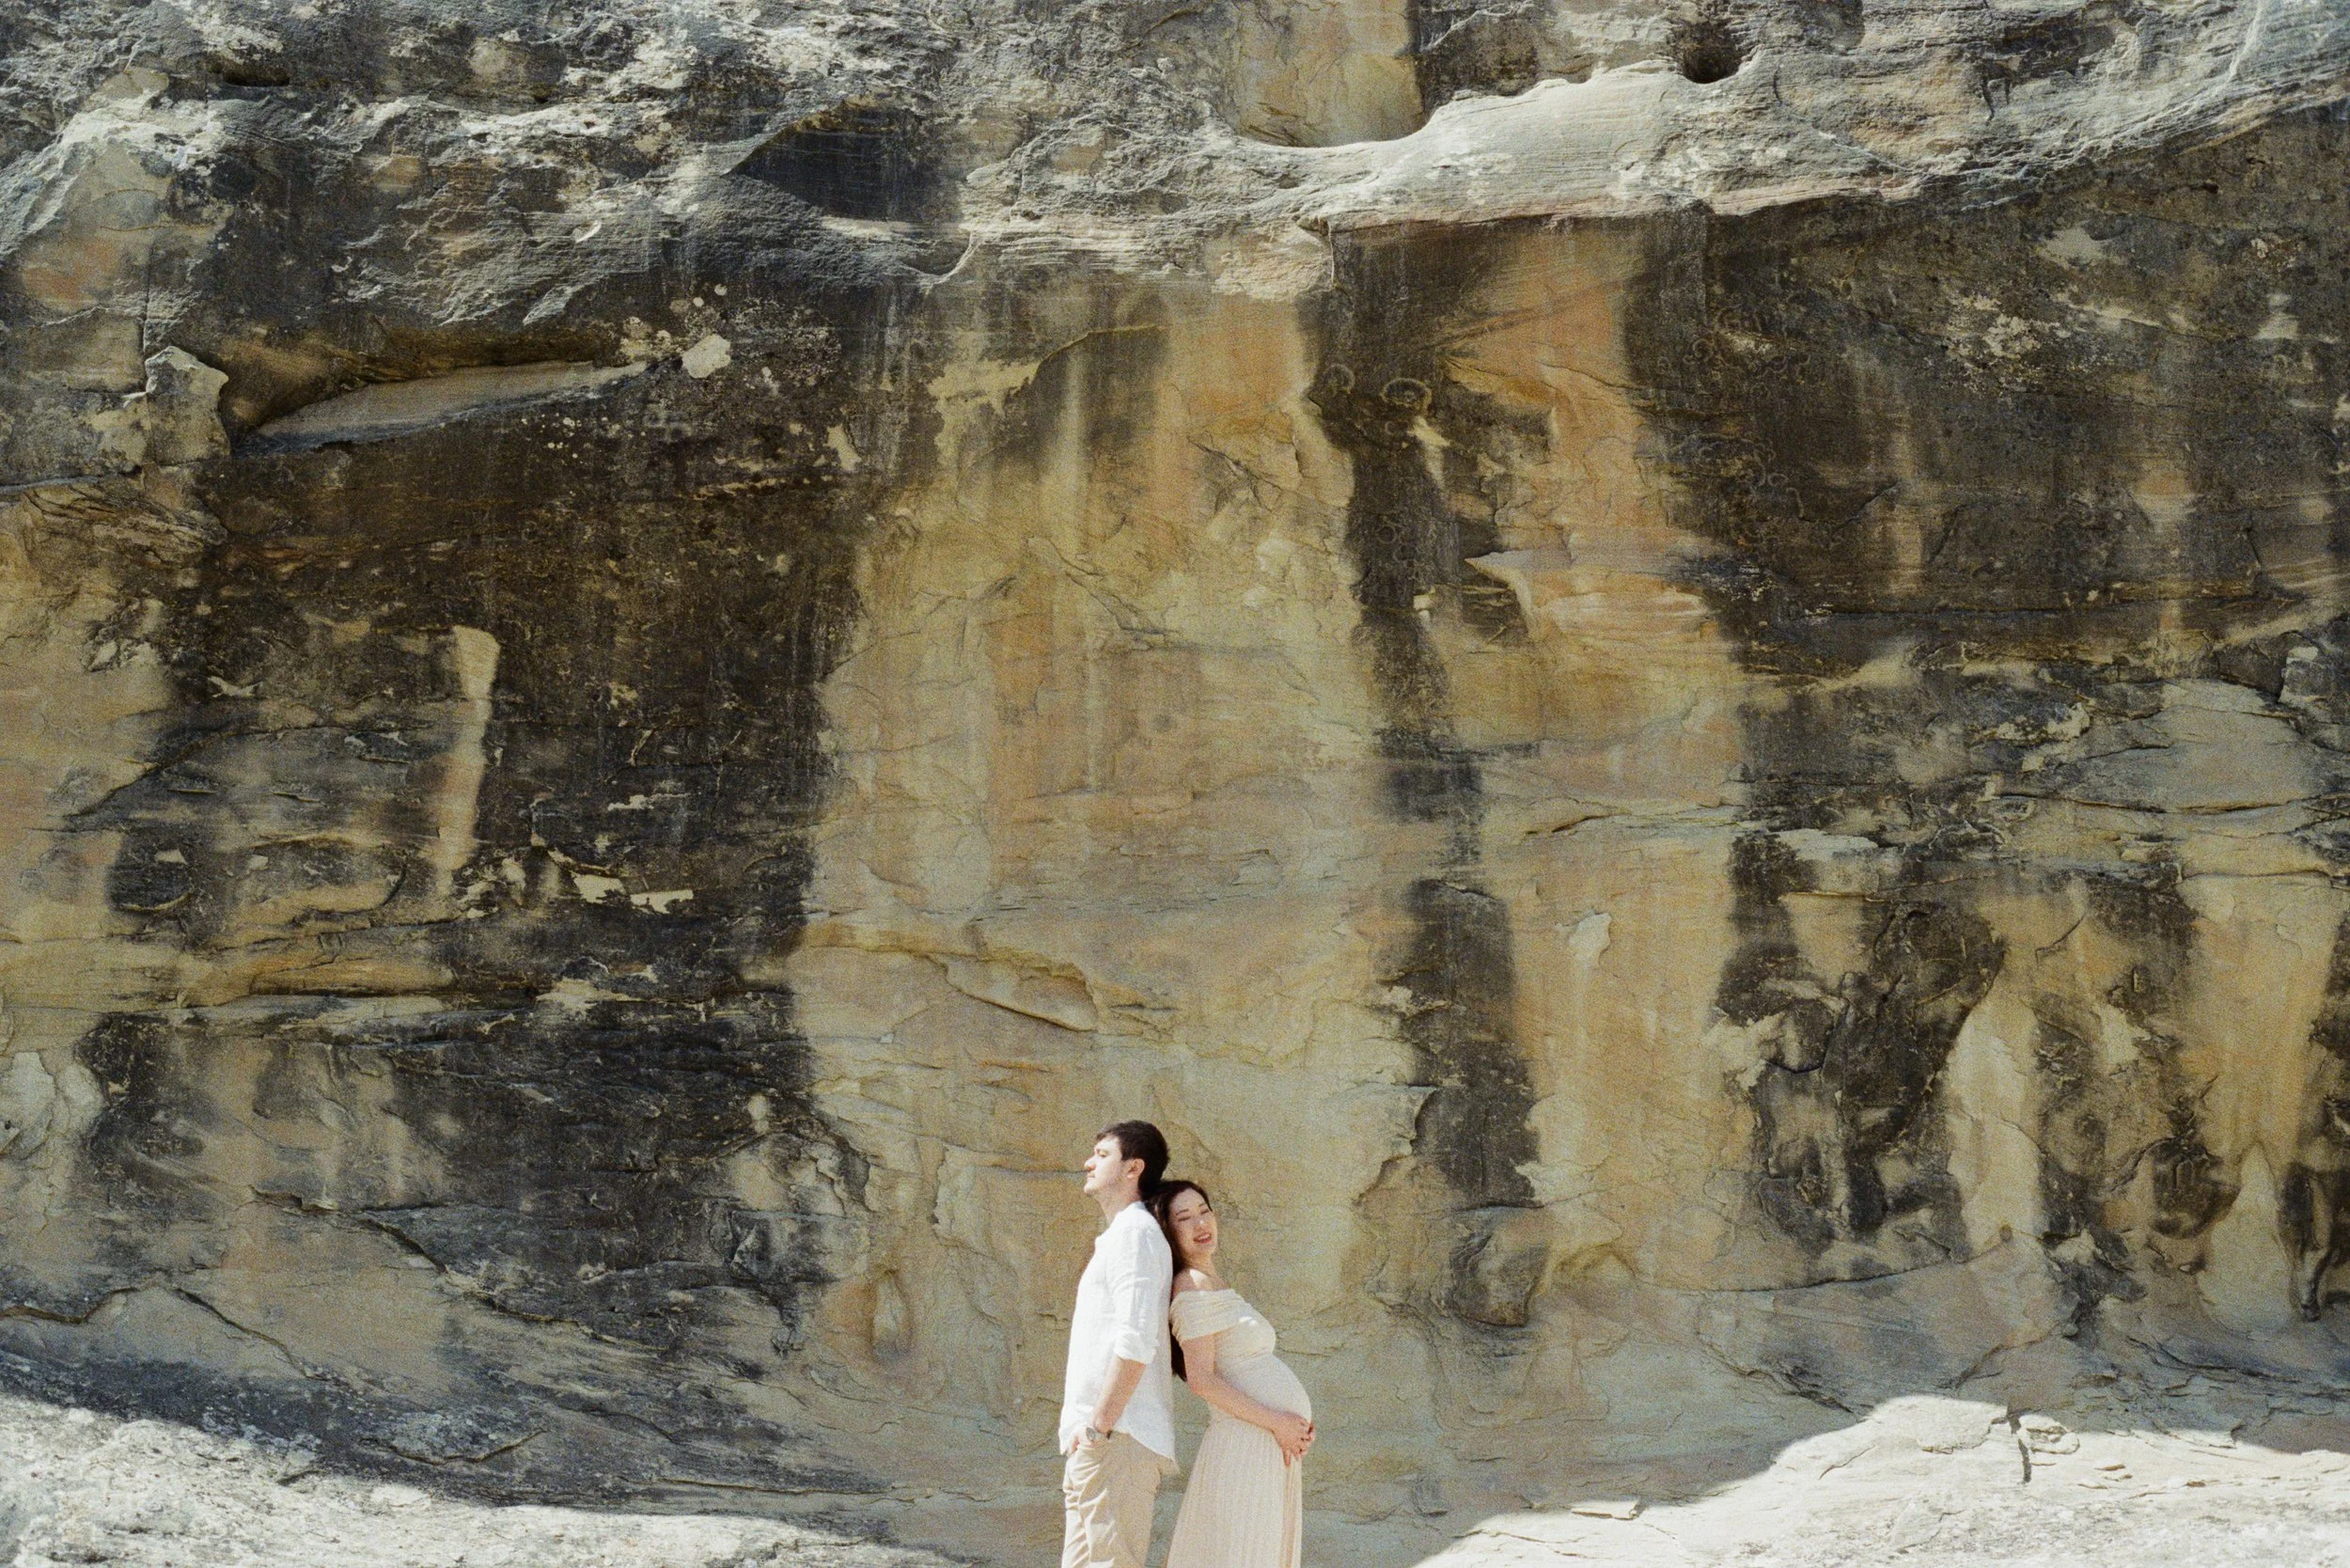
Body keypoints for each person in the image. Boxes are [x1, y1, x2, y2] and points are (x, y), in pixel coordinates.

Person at [1149, 1179, 1316, 1568]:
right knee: (1242, 1552)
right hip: (1246, 1442)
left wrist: (1297, 1425)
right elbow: (1201, 1379)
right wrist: (1279, 1420)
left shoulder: (1213, 1284)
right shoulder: (1190, 1285)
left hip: (1267, 1440)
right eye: (1185, 1218)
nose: (1200, 1223)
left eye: (1204, 1211)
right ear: (1170, 1233)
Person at [1059, 1121, 1179, 1568]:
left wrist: (1100, 1428)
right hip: (1099, 1439)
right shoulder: (1122, 1235)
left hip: (1117, 1436)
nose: (1088, 1163)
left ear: (1134, 1168)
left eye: (1102, 1154)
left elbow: (1136, 1339)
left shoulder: (1136, 1233)